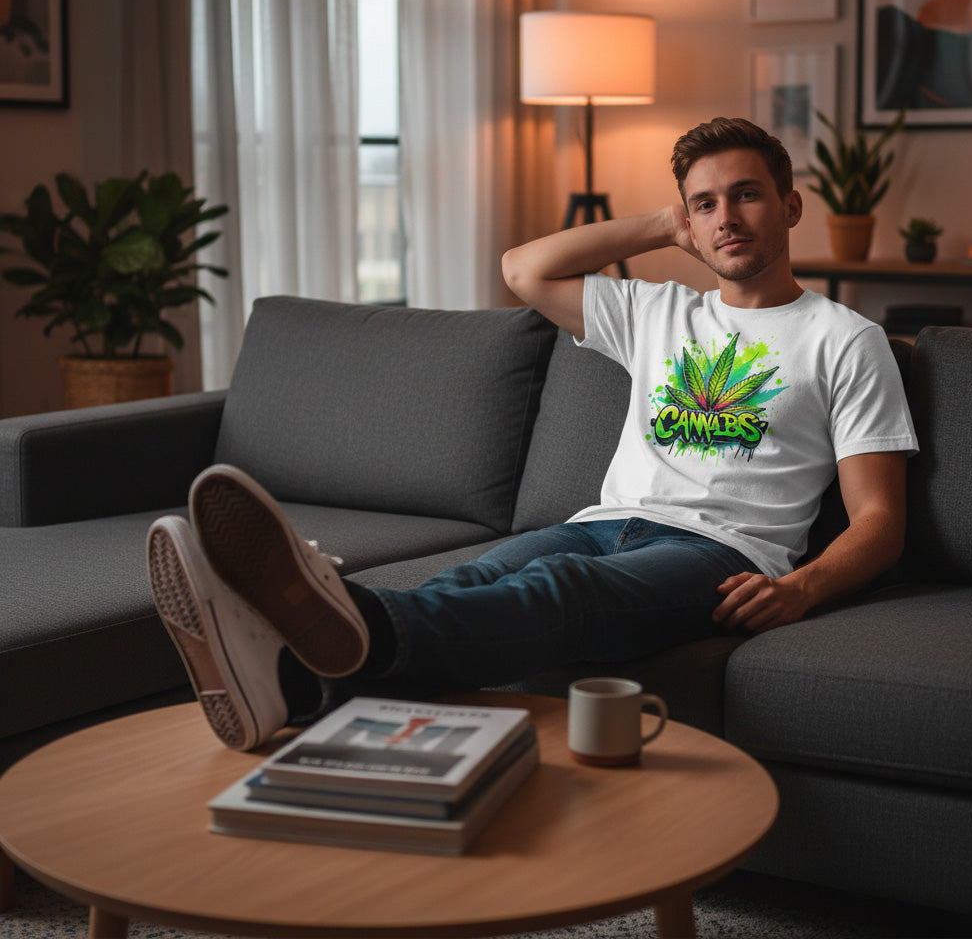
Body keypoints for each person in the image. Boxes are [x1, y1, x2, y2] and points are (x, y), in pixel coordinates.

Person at [148, 117, 917, 752]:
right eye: (705, 204)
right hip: (601, 525)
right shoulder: (658, 312)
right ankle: (295, 677)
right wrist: (658, 225)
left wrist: (799, 587)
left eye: (747, 195)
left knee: (559, 594)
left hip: (719, 554)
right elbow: (523, 269)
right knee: (468, 582)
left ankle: (308, 623)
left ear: (790, 206)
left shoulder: (845, 340)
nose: (727, 219)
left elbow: (879, 521)